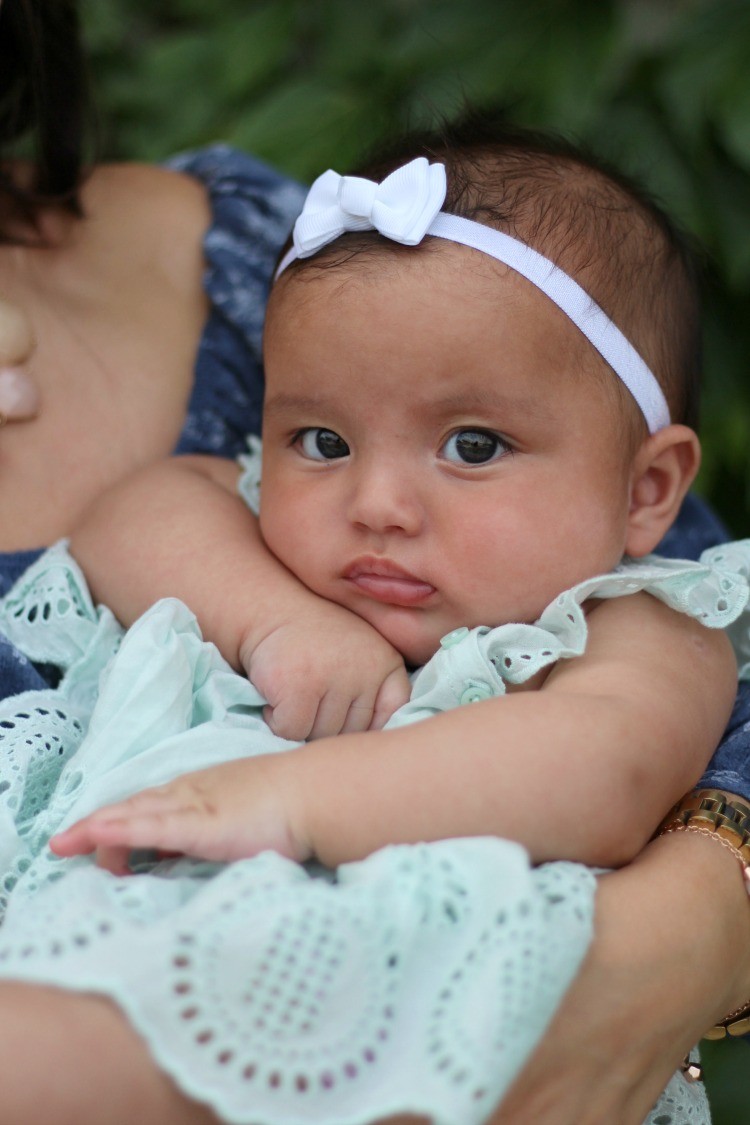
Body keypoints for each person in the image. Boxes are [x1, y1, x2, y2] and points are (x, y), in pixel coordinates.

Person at [0, 1, 748, 1121]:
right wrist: (273, 619)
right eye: (323, 441)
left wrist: (293, 801)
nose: (378, 503)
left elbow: (603, 779)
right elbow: (134, 514)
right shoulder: (269, 544)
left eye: (475, 446)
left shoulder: (644, 622)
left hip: (411, 968)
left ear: (648, 491)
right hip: (137, 914)